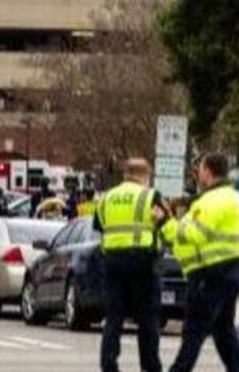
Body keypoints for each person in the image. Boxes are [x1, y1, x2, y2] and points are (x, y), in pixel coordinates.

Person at [162, 153, 239, 372]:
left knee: (193, 333)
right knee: (224, 334)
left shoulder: (209, 202)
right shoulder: (238, 199)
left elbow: (193, 234)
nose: (197, 174)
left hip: (209, 274)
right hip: (234, 272)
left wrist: (167, 222)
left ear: (208, 172)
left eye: (200, 169)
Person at [94, 159, 166, 372]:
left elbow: (99, 226)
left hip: (112, 261)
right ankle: (150, 366)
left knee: (114, 316)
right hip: (142, 261)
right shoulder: (150, 195)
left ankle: (109, 365)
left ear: (126, 174)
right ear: (145, 175)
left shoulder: (107, 197)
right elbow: (164, 221)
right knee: (148, 318)